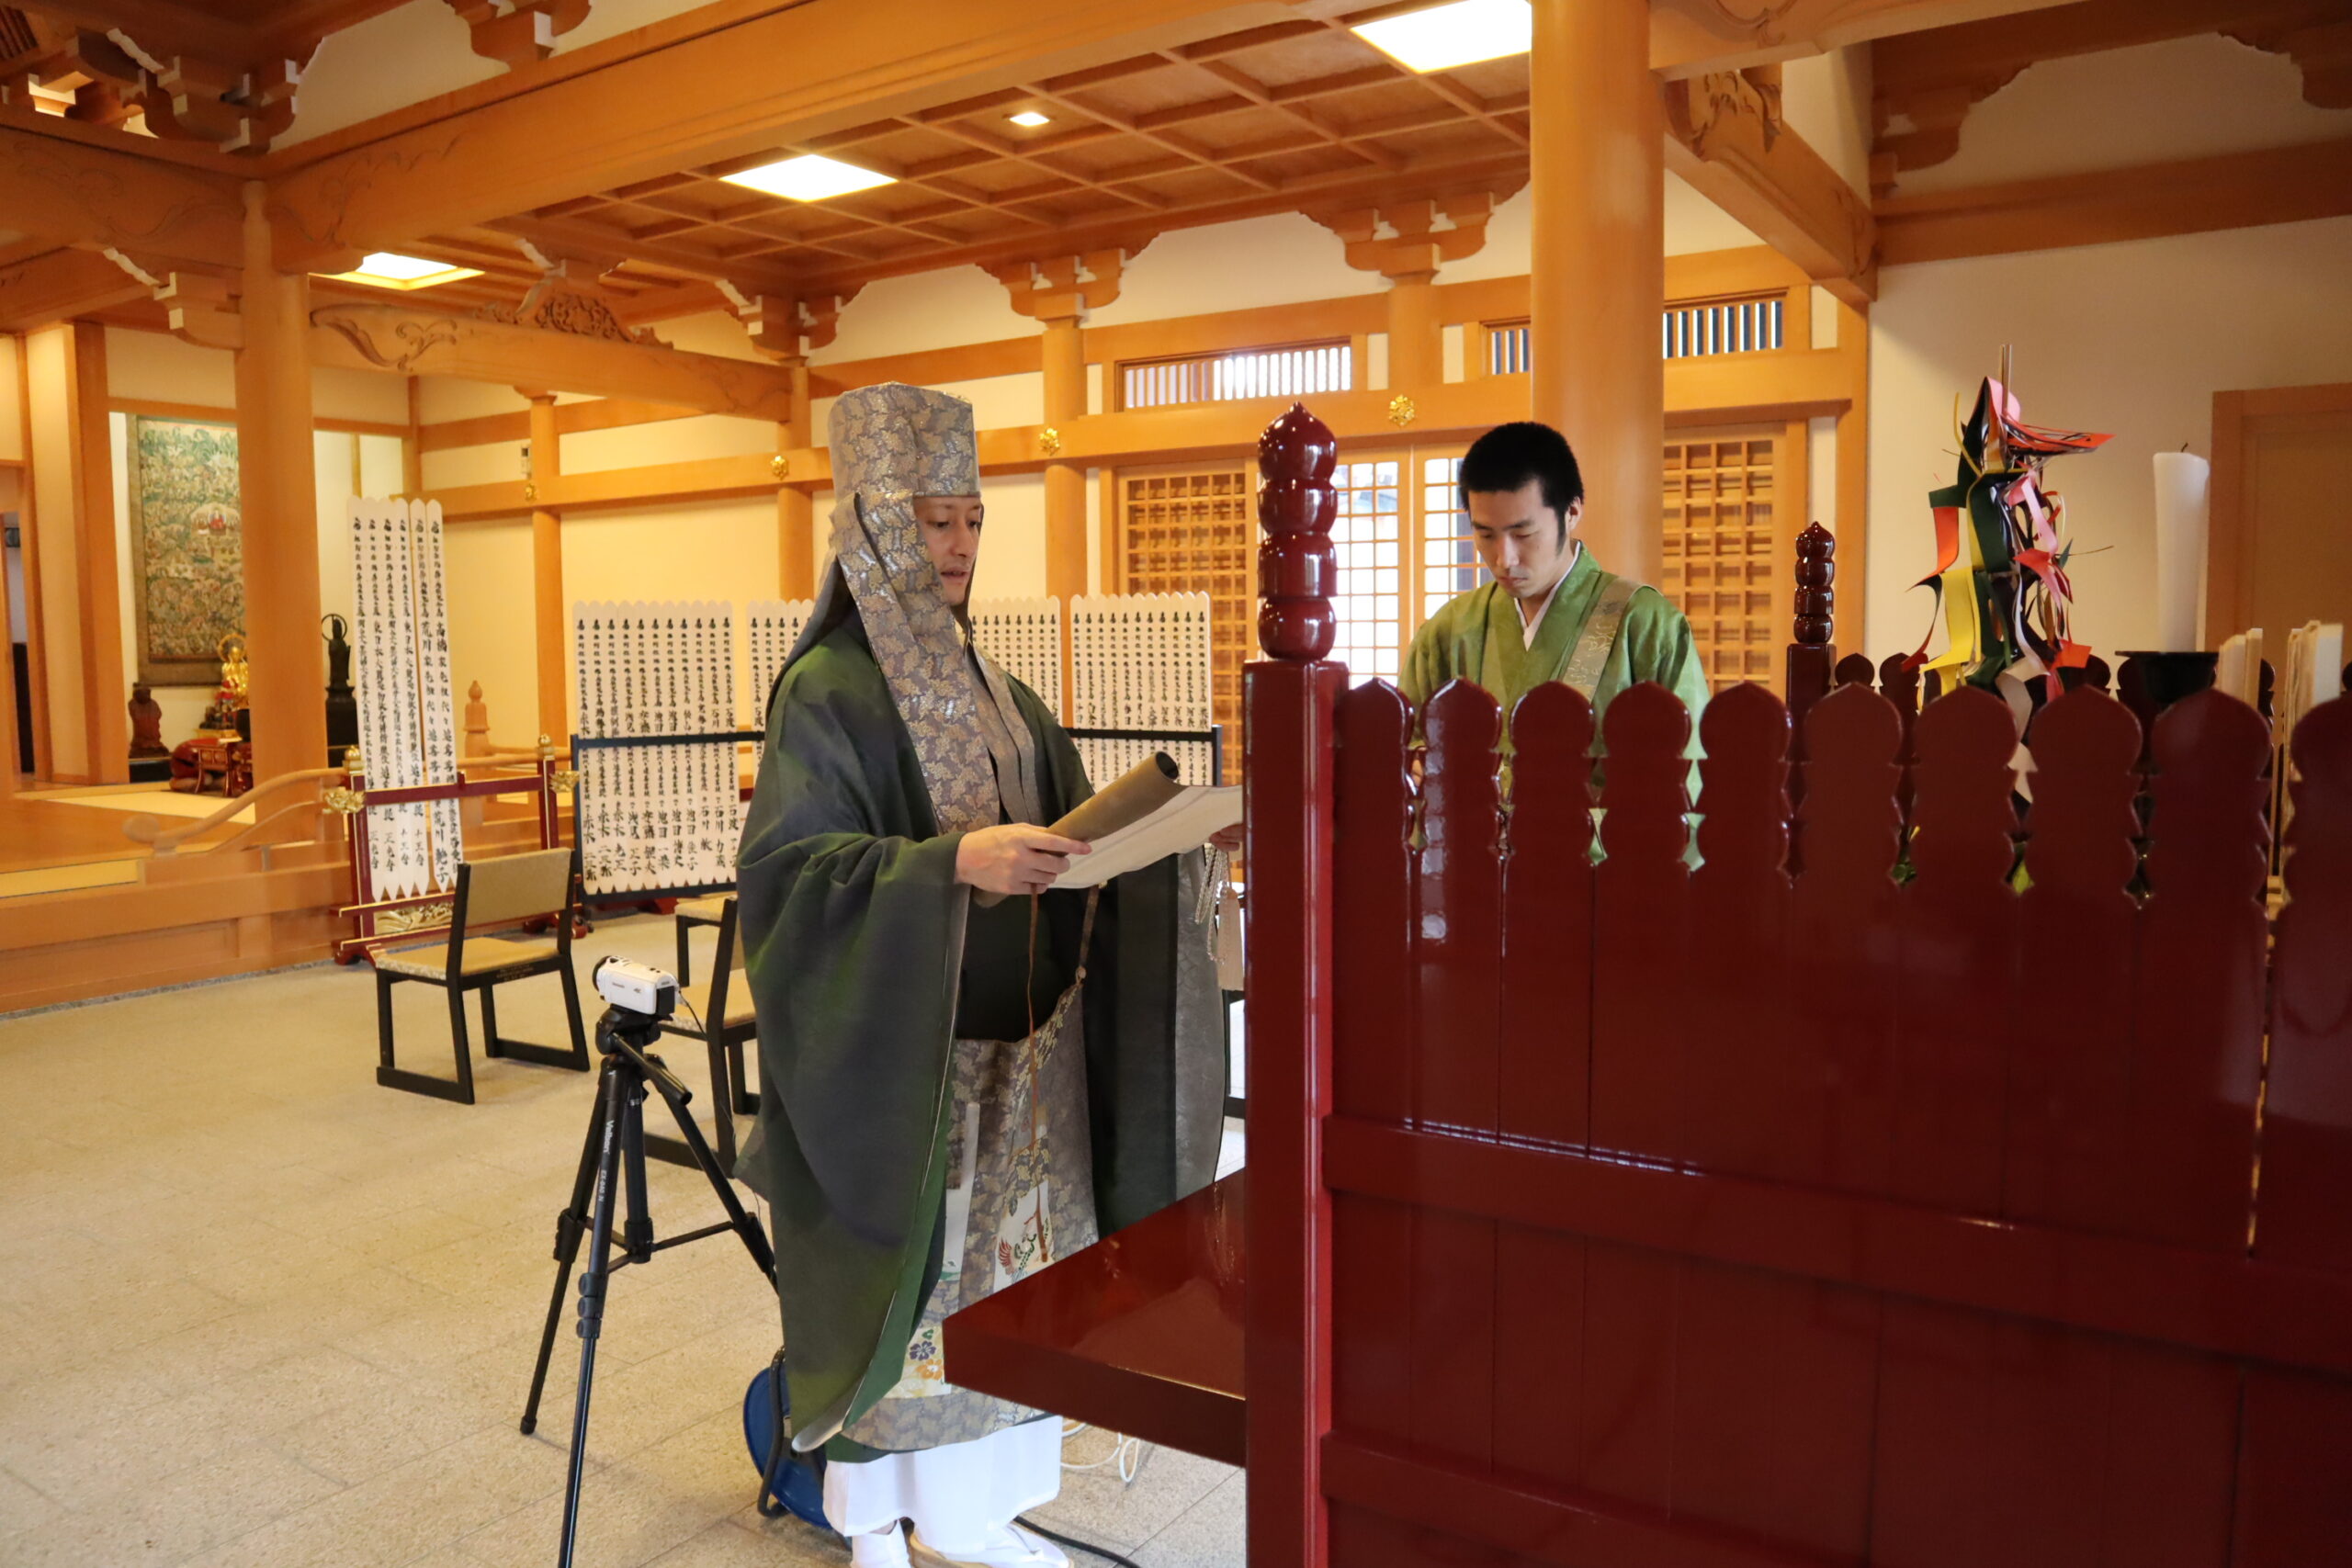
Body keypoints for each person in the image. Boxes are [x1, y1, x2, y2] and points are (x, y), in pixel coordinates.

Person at [737, 383, 1226, 1568]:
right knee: (925, 1310)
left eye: (970, 521)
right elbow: (791, 877)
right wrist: (952, 862)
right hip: (915, 1079)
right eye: (930, 522)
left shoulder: (1000, 695)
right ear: (873, 529)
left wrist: (1156, 847)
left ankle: (977, 1515)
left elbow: (1071, 831)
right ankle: (900, 1525)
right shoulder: (829, 693)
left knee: (1021, 1301)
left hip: (1029, 1063)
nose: (956, 546)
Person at [1402, 422, 1710, 739]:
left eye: (1523, 534)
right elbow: (1410, 750)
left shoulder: (1645, 624)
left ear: (1572, 512)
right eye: (1486, 534)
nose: (1504, 559)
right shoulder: (1450, 629)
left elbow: (1687, 766)